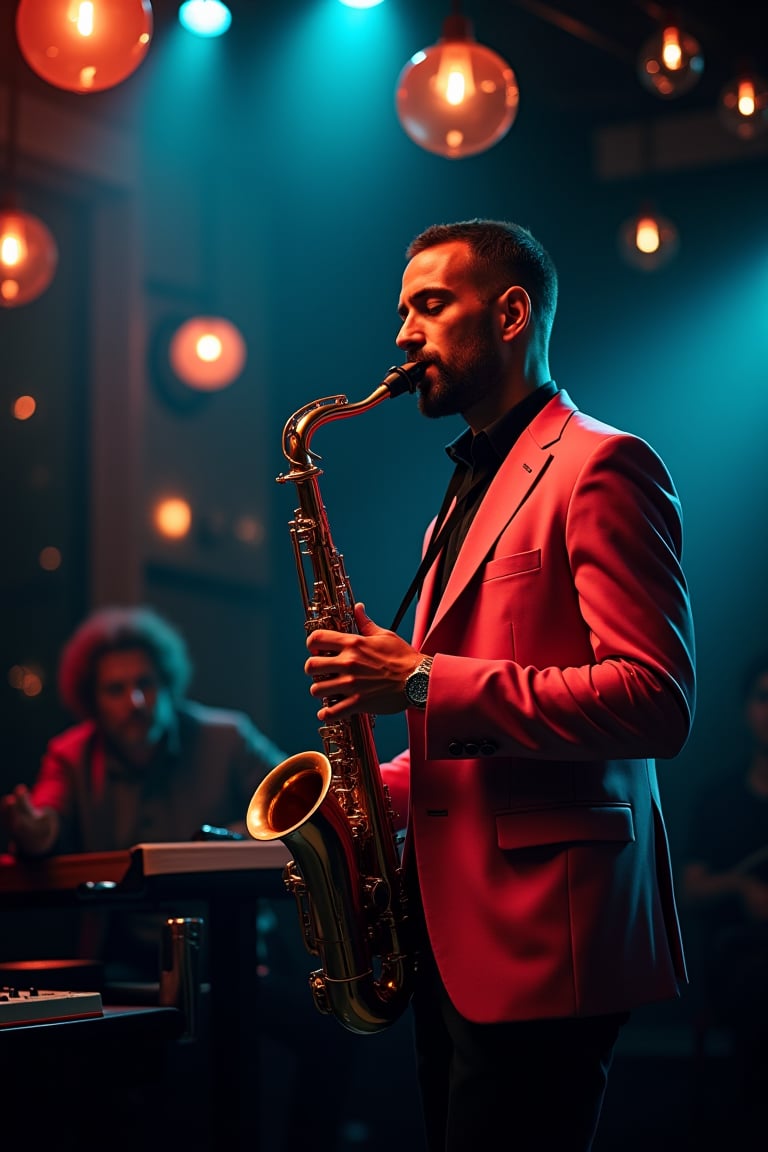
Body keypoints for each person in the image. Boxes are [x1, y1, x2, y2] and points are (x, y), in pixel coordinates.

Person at [302, 219, 697, 1152]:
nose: (403, 333)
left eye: (431, 305)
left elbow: (655, 699)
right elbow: (469, 724)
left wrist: (425, 676)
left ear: (512, 313)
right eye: (403, 309)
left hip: (547, 937)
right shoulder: (463, 485)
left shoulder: (604, 465)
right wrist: (361, 799)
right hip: (454, 931)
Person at [0, 603, 286, 980]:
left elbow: (294, 800)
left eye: (145, 684)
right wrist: (37, 834)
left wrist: (231, 839)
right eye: (115, 690)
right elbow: (46, 816)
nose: (134, 702)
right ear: (92, 702)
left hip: (233, 945)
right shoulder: (68, 755)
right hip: (123, 960)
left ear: (168, 685)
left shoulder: (228, 737)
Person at [680, 652, 768, 1150]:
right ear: (746, 709)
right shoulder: (720, 799)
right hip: (740, 959)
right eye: (763, 698)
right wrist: (740, 888)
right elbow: (689, 889)